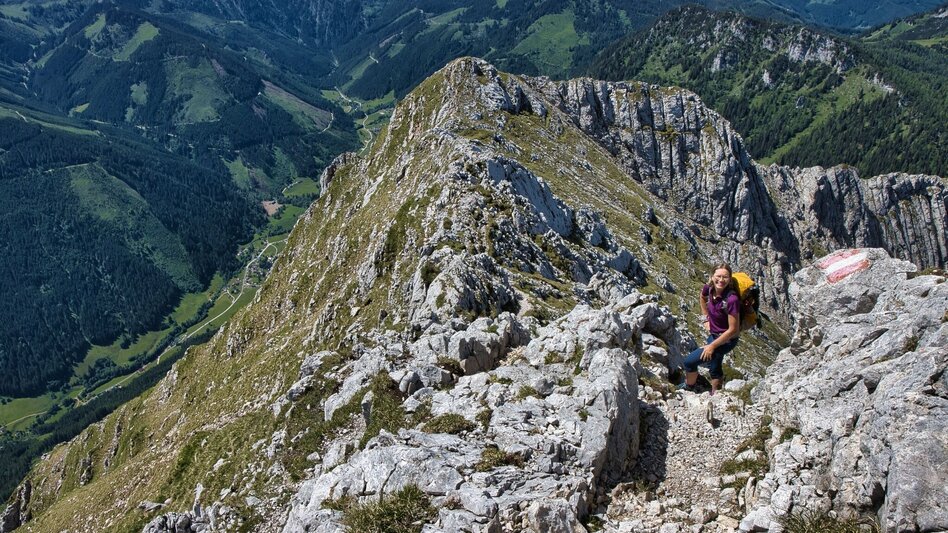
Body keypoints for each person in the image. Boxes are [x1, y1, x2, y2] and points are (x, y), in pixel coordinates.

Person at [680, 263, 740, 395]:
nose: (721, 280)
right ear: (712, 276)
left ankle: (689, 386)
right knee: (715, 362)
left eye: (725, 277)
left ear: (730, 279)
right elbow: (702, 297)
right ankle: (715, 392)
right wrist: (706, 318)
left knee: (689, 362)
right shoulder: (709, 288)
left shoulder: (731, 300)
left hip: (727, 339)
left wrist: (711, 346)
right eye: (718, 276)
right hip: (714, 334)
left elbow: (733, 330)